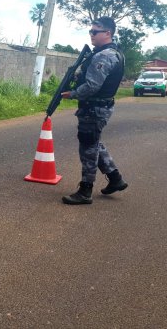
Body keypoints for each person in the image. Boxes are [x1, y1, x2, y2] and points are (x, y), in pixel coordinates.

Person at [60, 16, 128, 205]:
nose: (91, 34)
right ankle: (115, 178)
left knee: (88, 148)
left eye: (95, 32)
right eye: (90, 31)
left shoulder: (104, 56)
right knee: (93, 142)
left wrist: (72, 94)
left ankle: (85, 191)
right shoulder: (114, 53)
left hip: (94, 108)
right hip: (99, 107)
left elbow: (92, 86)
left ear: (107, 33)